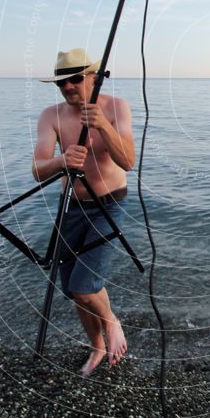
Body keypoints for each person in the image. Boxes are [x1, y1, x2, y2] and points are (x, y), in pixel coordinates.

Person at [33, 48, 135, 377]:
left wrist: (103, 125)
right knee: (73, 288)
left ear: (93, 77)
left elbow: (128, 162)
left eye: (75, 78)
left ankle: (112, 324)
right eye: (62, 81)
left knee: (84, 286)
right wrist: (62, 161)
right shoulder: (51, 115)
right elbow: (37, 169)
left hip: (109, 205)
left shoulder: (116, 108)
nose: (68, 86)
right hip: (71, 206)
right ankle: (97, 347)